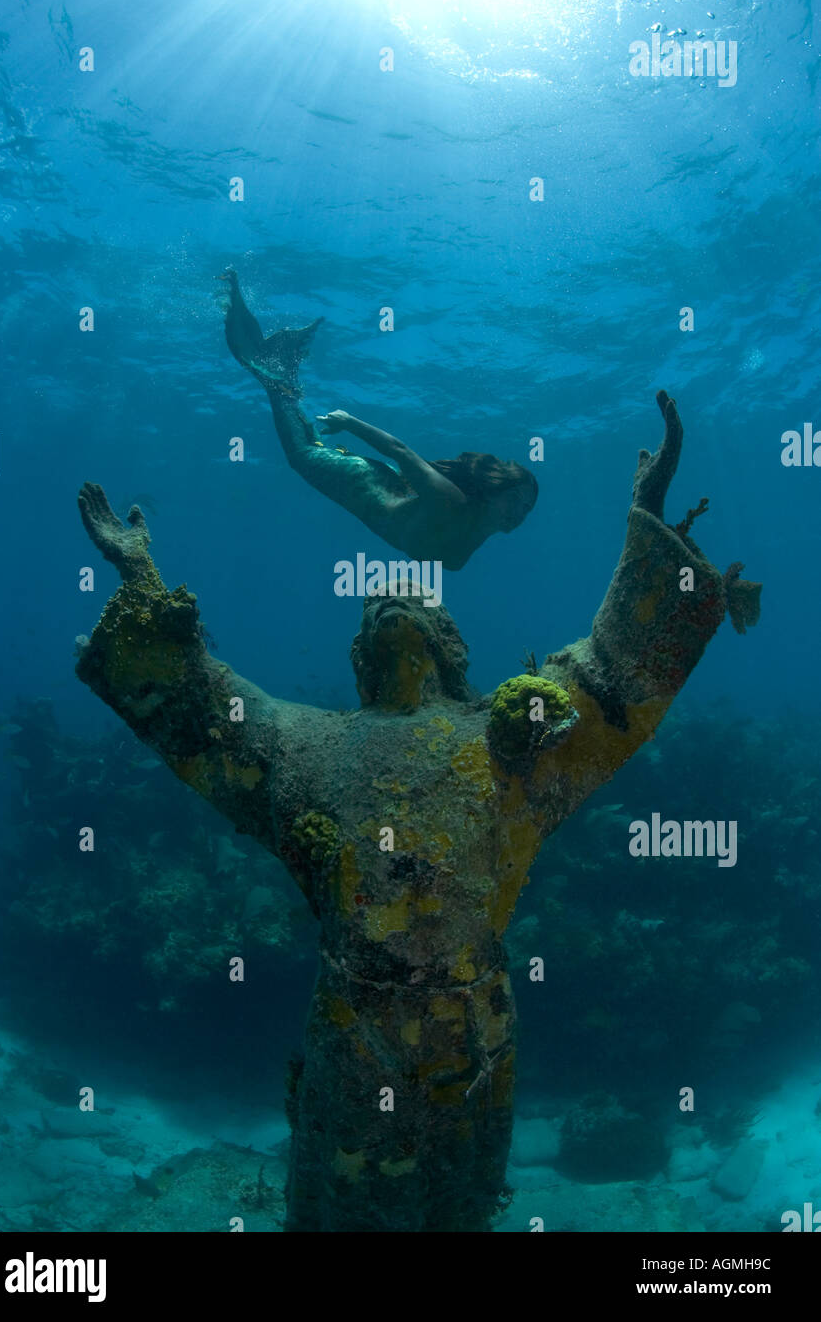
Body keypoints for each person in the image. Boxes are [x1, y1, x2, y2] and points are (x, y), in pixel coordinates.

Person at [75, 392, 760, 1232]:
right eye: (379, 610)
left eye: (421, 608)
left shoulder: (508, 742)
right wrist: (142, 580)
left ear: (453, 648)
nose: (396, 607)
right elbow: (204, 708)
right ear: (361, 656)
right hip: (360, 1043)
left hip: (473, 1047)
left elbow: (615, 676)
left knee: (457, 1208)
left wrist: (648, 519)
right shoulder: (305, 745)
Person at [220, 268, 537, 570]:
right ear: (495, 489)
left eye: (526, 510)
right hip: (365, 482)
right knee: (301, 454)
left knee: (305, 443)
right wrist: (348, 422)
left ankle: (282, 369)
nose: (519, 514)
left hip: (384, 488)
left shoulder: (469, 538)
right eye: (515, 501)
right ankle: (278, 369)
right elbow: (400, 451)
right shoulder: (450, 502)